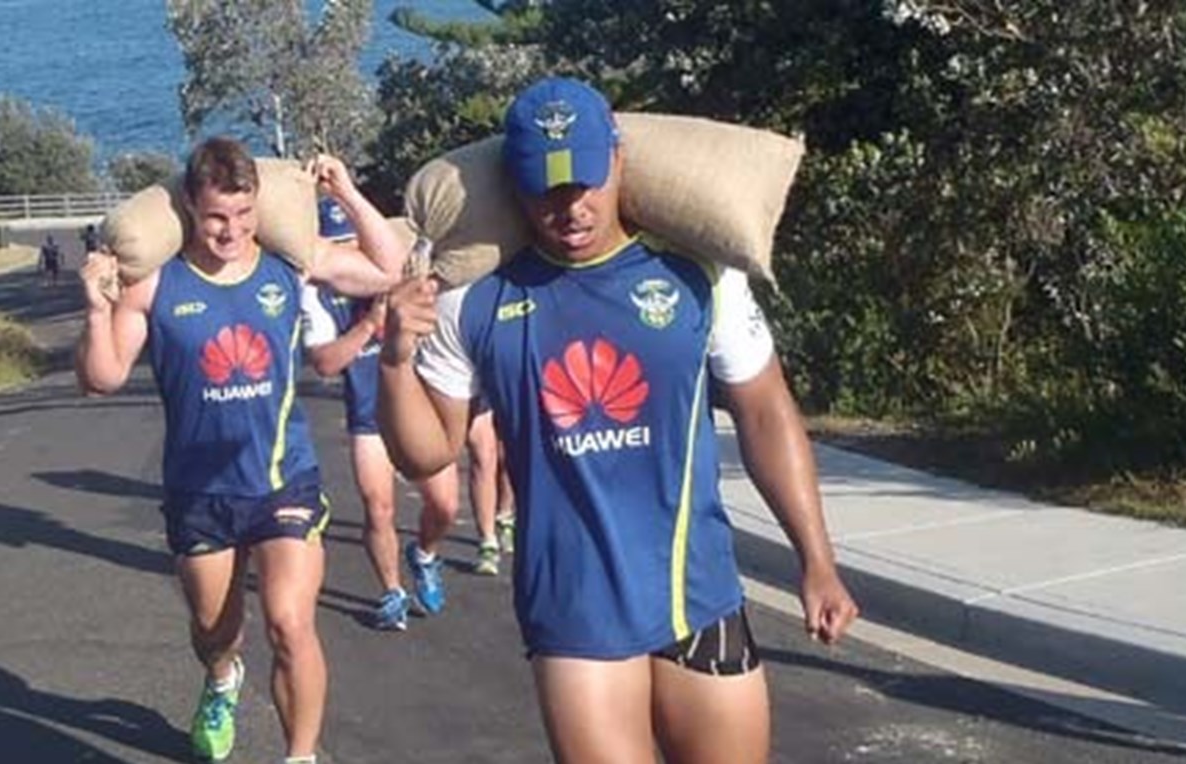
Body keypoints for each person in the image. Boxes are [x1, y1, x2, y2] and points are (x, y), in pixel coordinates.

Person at [377, 77, 860, 764]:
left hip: (697, 592)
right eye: (546, 188)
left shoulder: (700, 274)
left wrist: (817, 560)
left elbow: (765, 411)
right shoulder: (473, 302)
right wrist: (395, 359)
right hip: (573, 607)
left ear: (618, 161)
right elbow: (426, 455)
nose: (570, 206)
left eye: (585, 180)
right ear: (514, 184)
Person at [77, 138, 407, 764]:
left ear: (259, 205)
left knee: (289, 623)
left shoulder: (289, 265)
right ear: (189, 208)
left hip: (284, 480)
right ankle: (223, 677)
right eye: (216, 218)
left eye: (244, 214)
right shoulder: (157, 285)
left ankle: (301, 755)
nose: (231, 231)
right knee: (214, 632)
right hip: (200, 493)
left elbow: (388, 268)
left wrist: (343, 190)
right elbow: (103, 377)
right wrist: (97, 311)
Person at [298, 197, 462, 631]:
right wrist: (370, 325)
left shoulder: (400, 274)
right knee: (378, 507)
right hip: (368, 412)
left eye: (354, 243)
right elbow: (326, 363)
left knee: (445, 506)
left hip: (419, 407)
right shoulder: (317, 295)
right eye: (338, 247)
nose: (350, 255)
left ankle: (424, 553)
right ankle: (392, 592)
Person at [464, 404, 514, 576]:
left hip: (508, 389)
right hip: (479, 393)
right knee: (483, 457)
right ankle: (487, 542)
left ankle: (505, 516)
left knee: (507, 454)